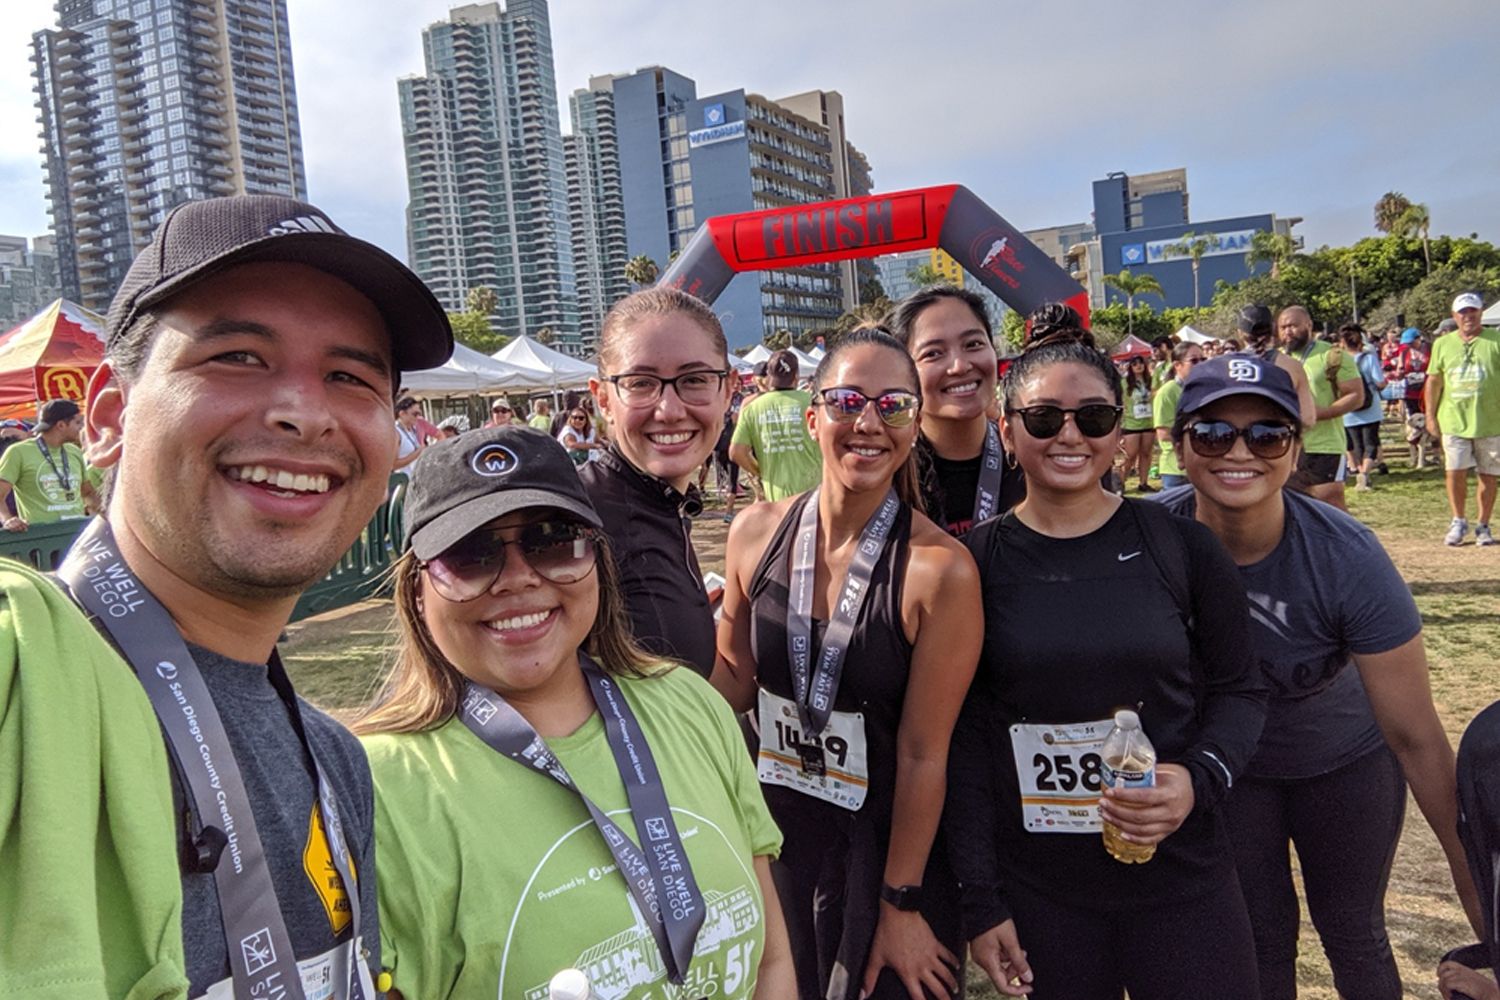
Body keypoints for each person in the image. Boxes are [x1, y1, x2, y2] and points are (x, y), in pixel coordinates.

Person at [0, 194, 453, 998]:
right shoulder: (23, 674)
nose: (304, 413)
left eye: (350, 377)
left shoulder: (336, 760)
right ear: (109, 417)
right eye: (238, 356)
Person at [355, 427, 793, 999]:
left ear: (597, 561)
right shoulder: (373, 790)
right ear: (418, 591)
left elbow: (773, 961)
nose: (517, 578)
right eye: (470, 554)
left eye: (553, 541)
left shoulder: (692, 704)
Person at [946, 338, 1266, 1000]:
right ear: (1007, 430)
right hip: (1042, 893)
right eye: (1043, 419)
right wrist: (981, 902)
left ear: (1119, 432)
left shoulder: (1180, 545)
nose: (1070, 435)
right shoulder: (971, 565)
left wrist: (1196, 781)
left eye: (1093, 417)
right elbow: (966, 742)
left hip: (1182, 878)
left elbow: (1241, 690)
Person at [1160, 353, 1482, 1000]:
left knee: (1354, 933)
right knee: (1261, 937)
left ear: (1297, 446)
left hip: (1344, 765)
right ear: (1179, 445)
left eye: (1267, 433)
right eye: (1214, 433)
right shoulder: (1148, 538)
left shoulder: (1346, 557)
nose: (1239, 452)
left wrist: (1489, 918)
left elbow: (1420, 742)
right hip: (1234, 772)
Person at [714, 327, 981, 1000]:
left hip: (886, 851)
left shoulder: (938, 571)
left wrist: (901, 904)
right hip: (775, 839)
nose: (868, 422)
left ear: (915, 426)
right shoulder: (753, 534)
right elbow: (733, 686)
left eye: (892, 406)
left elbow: (925, 755)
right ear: (812, 418)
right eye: (846, 401)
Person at [580, 287, 734, 676]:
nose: (669, 410)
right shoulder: (574, 522)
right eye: (640, 383)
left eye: (695, 379)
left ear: (728, 389)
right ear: (602, 400)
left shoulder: (667, 504)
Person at [887, 285, 1024, 537]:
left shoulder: (1030, 458)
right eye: (933, 353)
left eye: (973, 344)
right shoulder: (886, 475)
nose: (959, 366)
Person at [1426, 293, 1500, 546]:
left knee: (1488, 474)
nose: (1468, 316)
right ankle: (1458, 520)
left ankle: (1483, 524)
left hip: (1490, 420)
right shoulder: (1443, 345)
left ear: (1480, 313)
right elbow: (1434, 381)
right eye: (1463, 312)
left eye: (1473, 311)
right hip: (1453, 420)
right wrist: (1430, 415)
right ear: (1455, 316)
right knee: (1454, 471)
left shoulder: (1495, 340)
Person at [1279, 305, 1362, 511]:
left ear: (1309, 325)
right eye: (1283, 327)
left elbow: (1356, 396)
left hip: (1324, 444)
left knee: (1330, 504)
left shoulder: (1332, 355)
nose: (1288, 331)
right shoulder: (1276, 359)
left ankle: (1340, 543)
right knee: (1289, 504)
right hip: (1286, 446)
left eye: (1293, 326)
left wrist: (1320, 413)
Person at [730, 349, 822, 502]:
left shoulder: (752, 407)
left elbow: (736, 452)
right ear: (796, 376)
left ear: (770, 376)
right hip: (815, 496)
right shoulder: (814, 402)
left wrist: (760, 472)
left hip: (777, 499)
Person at [0, 398, 97, 529]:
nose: (82, 428)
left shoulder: (74, 452)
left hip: (75, 534)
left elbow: (88, 493)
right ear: (61, 425)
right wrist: (8, 520)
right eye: (78, 422)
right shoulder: (18, 452)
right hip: (42, 539)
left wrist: (110, 514)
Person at [1341, 323, 1388, 492]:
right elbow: (1380, 382)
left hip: (1349, 409)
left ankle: (1359, 469)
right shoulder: (1369, 359)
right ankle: (1365, 474)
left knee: (1356, 444)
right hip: (1370, 407)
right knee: (1371, 443)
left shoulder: (1340, 361)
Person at [1152, 341, 1205, 489]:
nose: (1200, 364)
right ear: (1177, 365)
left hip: (1201, 466)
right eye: (1194, 360)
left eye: (1203, 359)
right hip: (1176, 470)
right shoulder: (1167, 392)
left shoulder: (1204, 390)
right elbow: (1163, 434)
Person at [1120, 354, 1156, 492]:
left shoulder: (1150, 381)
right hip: (1131, 423)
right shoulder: (1124, 383)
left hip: (1148, 422)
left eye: (1141, 363)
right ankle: (1121, 483)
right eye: (1134, 364)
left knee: (1146, 453)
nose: (1138, 366)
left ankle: (1143, 483)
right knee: (1131, 455)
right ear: (1130, 366)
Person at [395, 395, 426, 471]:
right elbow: (393, 465)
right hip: (402, 480)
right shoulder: (396, 432)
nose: (418, 417)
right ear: (402, 414)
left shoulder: (412, 430)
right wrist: (418, 453)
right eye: (415, 414)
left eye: (419, 414)